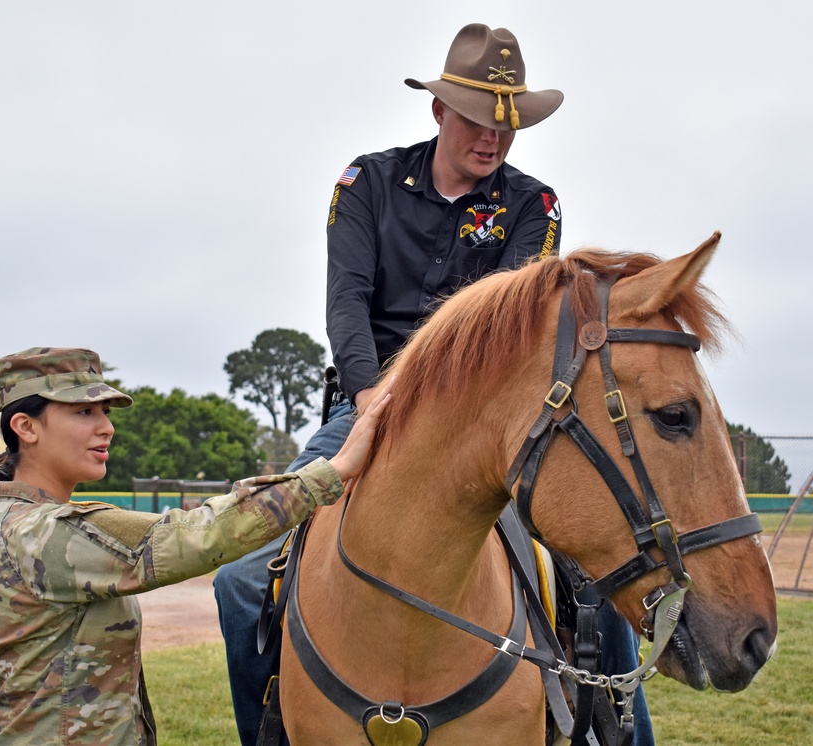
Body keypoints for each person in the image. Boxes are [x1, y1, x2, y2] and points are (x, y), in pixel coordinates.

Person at [213, 22, 652, 746]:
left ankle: (619, 731)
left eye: (508, 124)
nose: (495, 139)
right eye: (480, 119)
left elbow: (515, 327)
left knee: (594, 580)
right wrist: (368, 395)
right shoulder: (367, 184)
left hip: (483, 428)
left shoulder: (534, 206)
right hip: (364, 408)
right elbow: (347, 301)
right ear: (440, 110)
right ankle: (270, 731)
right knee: (240, 581)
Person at [0, 347, 391, 744]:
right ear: (25, 427)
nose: (107, 427)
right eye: (84, 412)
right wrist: (332, 470)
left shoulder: (22, 519)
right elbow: (196, 535)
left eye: (105, 411)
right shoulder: (43, 532)